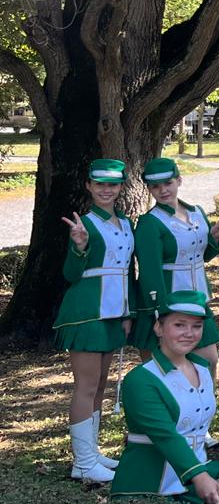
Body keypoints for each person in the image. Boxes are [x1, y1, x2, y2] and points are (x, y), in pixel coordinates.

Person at [110, 287, 219, 504]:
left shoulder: (203, 369)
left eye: (196, 326)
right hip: (149, 479)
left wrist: (201, 472)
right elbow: (165, 436)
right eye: (179, 325)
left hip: (197, 467)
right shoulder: (140, 379)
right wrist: (198, 476)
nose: (189, 333)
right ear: (159, 327)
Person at [54, 158, 135, 484]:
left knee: (100, 385)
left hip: (114, 312)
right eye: (99, 183)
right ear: (88, 185)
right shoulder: (84, 224)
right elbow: (71, 275)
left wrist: (128, 313)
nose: (106, 189)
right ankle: (83, 462)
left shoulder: (125, 223)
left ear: (120, 187)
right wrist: (79, 246)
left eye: (112, 184)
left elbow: (128, 272)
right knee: (86, 387)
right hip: (86, 313)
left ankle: (92, 452)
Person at [132, 158, 219, 376]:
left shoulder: (197, 212)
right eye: (155, 187)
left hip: (197, 298)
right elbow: (150, 271)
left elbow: (199, 257)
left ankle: (204, 409)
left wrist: (214, 238)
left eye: (168, 183)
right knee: (167, 372)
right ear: (149, 189)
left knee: (208, 362)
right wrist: (159, 310)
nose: (163, 190)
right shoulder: (150, 223)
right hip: (169, 302)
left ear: (179, 180)